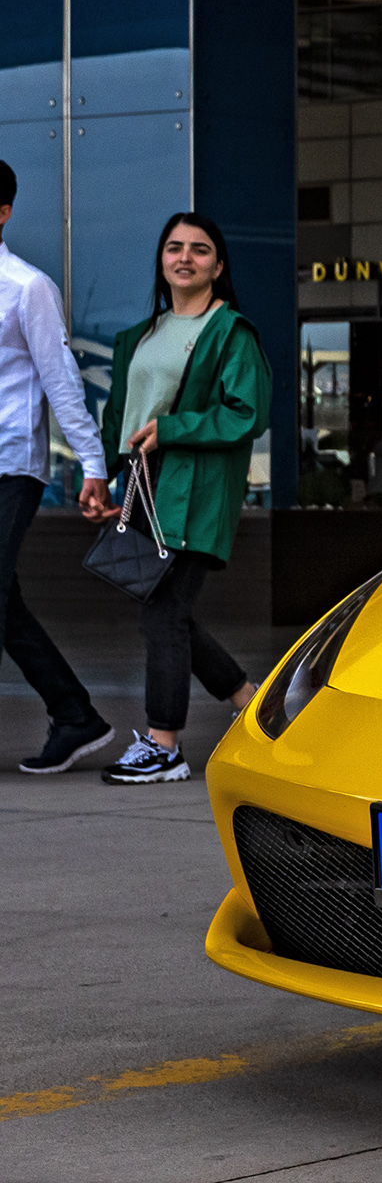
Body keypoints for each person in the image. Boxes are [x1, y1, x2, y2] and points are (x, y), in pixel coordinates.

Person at [81, 213, 271, 786]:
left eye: (199, 249)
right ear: (161, 260)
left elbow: (248, 413)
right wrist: (113, 482)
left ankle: (164, 745)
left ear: (218, 265)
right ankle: (246, 697)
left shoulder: (229, 331)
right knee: (167, 612)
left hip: (194, 489)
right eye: (173, 248)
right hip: (147, 481)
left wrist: (173, 429)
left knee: (163, 612)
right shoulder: (145, 333)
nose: (185, 258)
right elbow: (127, 415)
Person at [0, 162, 118, 774]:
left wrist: (93, 466)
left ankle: (75, 715)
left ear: (3, 213)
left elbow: (62, 382)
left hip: (10, 466)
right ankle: (75, 715)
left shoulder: (28, 288)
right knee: (4, 606)